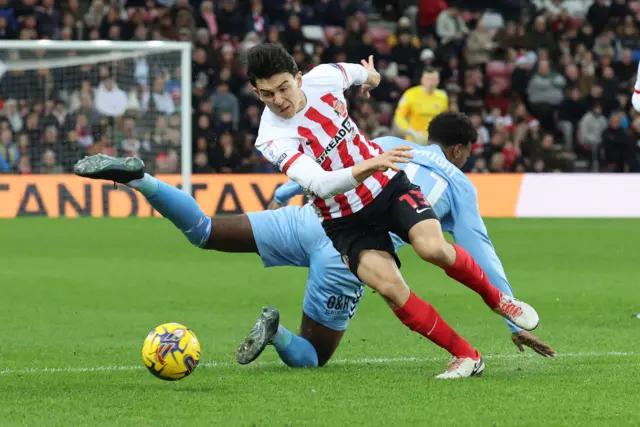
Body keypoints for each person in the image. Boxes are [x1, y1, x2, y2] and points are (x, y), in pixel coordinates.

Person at [72, 154, 554, 382]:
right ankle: (278, 333)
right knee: (315, 356)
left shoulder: (390, 142)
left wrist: (288, 194)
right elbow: (478, 248)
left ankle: (143, 181)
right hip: (344, 250)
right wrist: (509, 313)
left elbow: (326, 167)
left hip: (306, 217)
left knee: (205, 231)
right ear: (465, 150)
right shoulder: (459, 185)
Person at [247, 43, 538, 377]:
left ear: (298, 78)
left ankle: (498, 300)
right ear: (257, 92)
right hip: (343, 219)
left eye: (284, 88)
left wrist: (371, 78)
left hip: (386, 188)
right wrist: (370, 164)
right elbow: (321, 184)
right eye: (267, 94)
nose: (279, 100)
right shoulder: (272, 138)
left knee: (433, 248)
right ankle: (466, 356)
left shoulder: (325, 77)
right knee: (391, 288)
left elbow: (363, 74)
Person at [393, 66, 448, 145]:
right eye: (428, 79)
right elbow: (399, 117)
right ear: (422, 79)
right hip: (414, 140)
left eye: (434, 79)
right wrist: (411, 131)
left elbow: (443, 119)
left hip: (434, 141)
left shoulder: (443, 97)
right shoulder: (410, 94)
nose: (431, 82)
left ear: (438, 81)